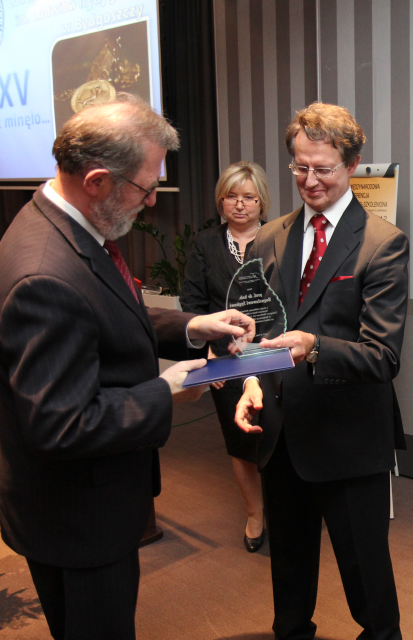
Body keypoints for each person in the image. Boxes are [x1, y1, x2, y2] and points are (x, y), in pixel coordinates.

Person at [0, 94, 256, 640]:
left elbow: (103, 314)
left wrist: (192, 327)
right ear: (97, 181)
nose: (151, 201)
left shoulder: (67, 227)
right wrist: (165, 389)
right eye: (145, 187)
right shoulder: (44, 274)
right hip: (75, 518)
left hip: (85, 504)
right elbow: (62, 424)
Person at [235, 102, 409, 640]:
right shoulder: (270, 237)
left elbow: (383, 357)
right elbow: (261, 330)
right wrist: (250, 380)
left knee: (367, 582)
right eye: (300, 167)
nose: (309, 181)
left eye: (323, 169)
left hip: (349, 439)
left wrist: (314, 347)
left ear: (352, 164)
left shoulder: (382, 243)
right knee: (288, 579)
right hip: (283, 434)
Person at [181, 161, 270, 551]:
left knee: (279, 435)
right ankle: (255, 512)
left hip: (273, 351)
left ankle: (288, 507)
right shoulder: (205, 244)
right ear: (221, 201)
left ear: (261, 201)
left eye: (249, 197)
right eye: (231, 196)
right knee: (241, 439)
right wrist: (209, 355)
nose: (240, 204)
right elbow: (193, 303)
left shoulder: (279, 239)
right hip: (225, 356)